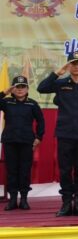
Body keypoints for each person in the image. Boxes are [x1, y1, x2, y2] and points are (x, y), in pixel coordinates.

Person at [37, 51, 78, 217]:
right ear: (68, 65)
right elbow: (41, 88)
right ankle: (66, 203)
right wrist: (58, 73)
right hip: (65, 133)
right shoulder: (61, 83)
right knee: (65, 170)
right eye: (73, 63)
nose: (77, 66)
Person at [0, 75, 45, 211]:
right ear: (13, 89)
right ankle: (13, 199)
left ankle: (24, 199)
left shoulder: (32, 104)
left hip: (26, 142)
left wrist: (39, 137)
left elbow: (41, 121)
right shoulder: (6, 102)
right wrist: (5, 92)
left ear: (27, 89)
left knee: (25, 170)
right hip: (10, 141)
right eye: (17, 87)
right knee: (12, 170)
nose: (20, 90)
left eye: (22, 87)